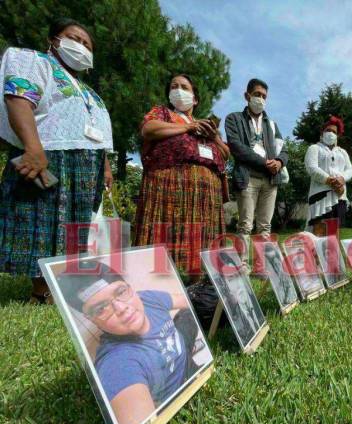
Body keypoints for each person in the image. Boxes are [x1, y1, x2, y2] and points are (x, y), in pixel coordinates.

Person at [0, 18, 113, 303]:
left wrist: (106, 166)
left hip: (87, 163)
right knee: (45, 222)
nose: (82, 46)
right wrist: (32, 147)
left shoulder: (89, 92)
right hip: (48, 153)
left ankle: (66, 284)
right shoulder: (33, 61)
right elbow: (19, 99)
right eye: (75, 38)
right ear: (54, 40)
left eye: (87, 44)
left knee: (75, 227)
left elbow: (98, 132)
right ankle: (42, 291)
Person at [57, 262, 198, 424]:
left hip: (183, 352)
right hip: (182, 391)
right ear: (91, 319)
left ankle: (185, 349)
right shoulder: (117, 362)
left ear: (129, 288)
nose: (122, 309)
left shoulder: (147, 298)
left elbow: (185, 300)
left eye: (121, 292)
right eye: (101, 308)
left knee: (188, 314)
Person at [134, 74, 229, 279]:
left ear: (195, 99)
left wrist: (213, 137)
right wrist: (187, 127)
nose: (178, 90)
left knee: (200, 234)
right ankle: (160, 277)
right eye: (174, 86)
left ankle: (200, 277)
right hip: (169, 183)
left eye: (184, 87)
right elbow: (148, 129)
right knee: (170, 229)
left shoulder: (205, 125)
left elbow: (225, 154)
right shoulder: (162, 113)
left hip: (205, 193)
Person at [225, 78, 288, 259]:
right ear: (247, 96)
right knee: (245, 224)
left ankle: (263, 266)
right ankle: (242, 265)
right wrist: (264, 162)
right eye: (257, 94)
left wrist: (279, 162)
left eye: (264, 96)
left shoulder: (271, 124)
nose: (260, 99)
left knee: (265, 225)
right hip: (247, 178)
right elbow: (237, 147)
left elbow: (283, 150)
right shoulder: (234, 119)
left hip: (270, 180)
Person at [304, 116, 352, 235]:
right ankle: (316, 253)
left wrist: (342, 179)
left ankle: (332, 254)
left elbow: (349, 169)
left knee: (333, 234)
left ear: (338, 135)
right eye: (328, 130)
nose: (331, 133)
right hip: (320, 194)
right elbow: (312, 168)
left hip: (339, 195)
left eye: (334, 132)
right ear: (322, 132)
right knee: (319, 232)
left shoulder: (343, 152)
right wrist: (329, 180)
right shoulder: (314, 148)